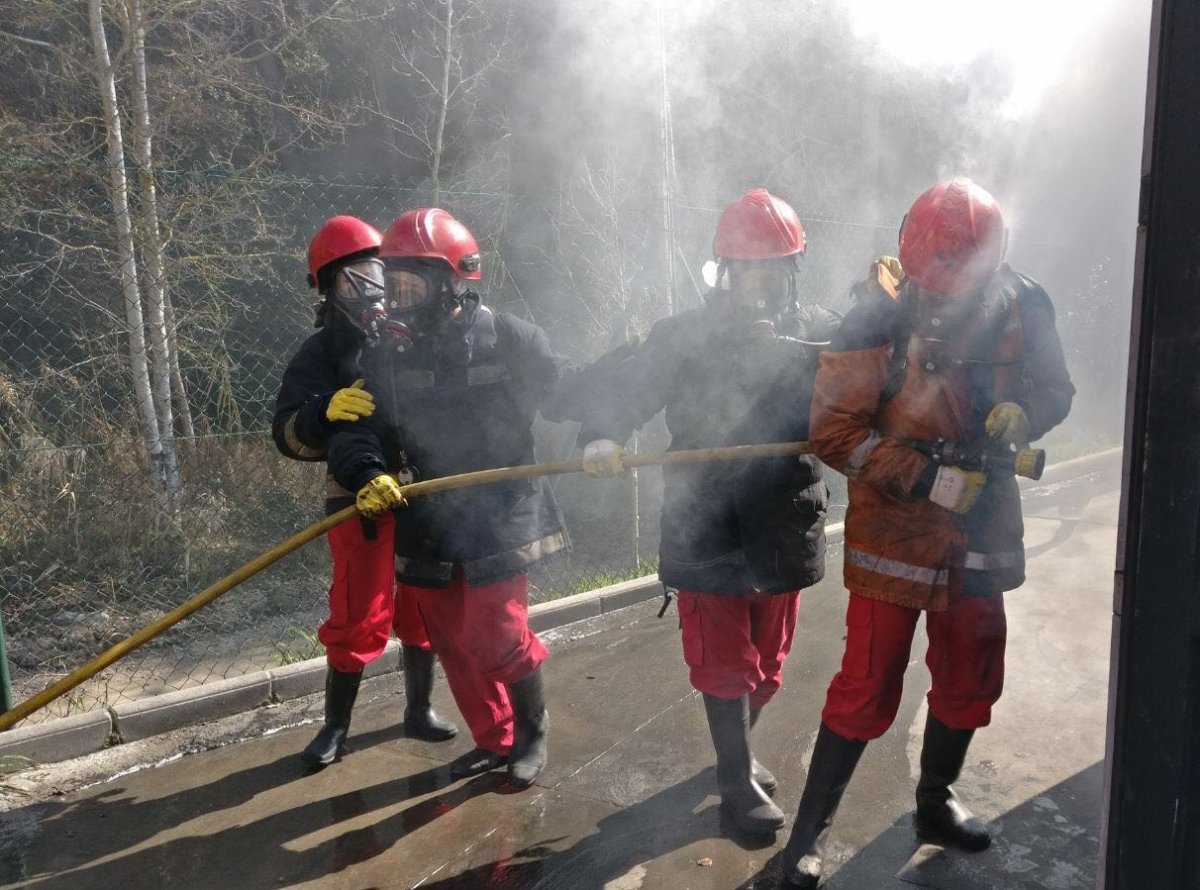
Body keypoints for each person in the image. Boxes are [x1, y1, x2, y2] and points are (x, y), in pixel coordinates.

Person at [780, 179, 1075, 888]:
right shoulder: (873, 320)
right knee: (868, 683)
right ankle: (805, 842)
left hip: (985, 517)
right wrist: (922, 476)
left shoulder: (1024, 304)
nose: (946, 295)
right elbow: (834, 433)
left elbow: (1055, 388)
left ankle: (934, 804)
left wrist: (1024, 415)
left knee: (973, 671)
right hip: (897, 529)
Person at [576, 188, 839, 834]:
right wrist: (601, 434)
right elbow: (627, 388)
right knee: (724, 661)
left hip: (785, 520)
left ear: (792, 272)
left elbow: (867, 399)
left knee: (769, 665)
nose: (756, 286)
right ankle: (733, 782)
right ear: (722, 271)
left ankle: (735, 755)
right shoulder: (681, 339)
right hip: (705, 519)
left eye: (770, 272)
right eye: (745, 270)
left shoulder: (821, 335)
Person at [326, 207, 574, 788]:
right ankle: (496, 738)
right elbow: (361, 430)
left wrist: (616, 398)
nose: (399, 301)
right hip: (427, 515)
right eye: (395, 285)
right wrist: (365, 472)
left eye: (413, 286)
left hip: (502, 511)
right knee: (452, 639)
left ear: (453, 284)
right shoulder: (385, 356)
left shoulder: (509, 337)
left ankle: (533, 733)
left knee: (496, 631)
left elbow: (566, 391)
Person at [272, 215, 458, 768]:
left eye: (377, 275)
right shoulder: (318, 355)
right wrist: (318, 413)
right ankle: (335, 727)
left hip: (422, 493)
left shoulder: (415, 337)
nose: (370, 291)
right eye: (352, 279)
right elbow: (285, 433)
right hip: (356, 501)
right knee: (359, 612)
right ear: (327, 290)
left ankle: (419, 710)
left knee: (422, 603)